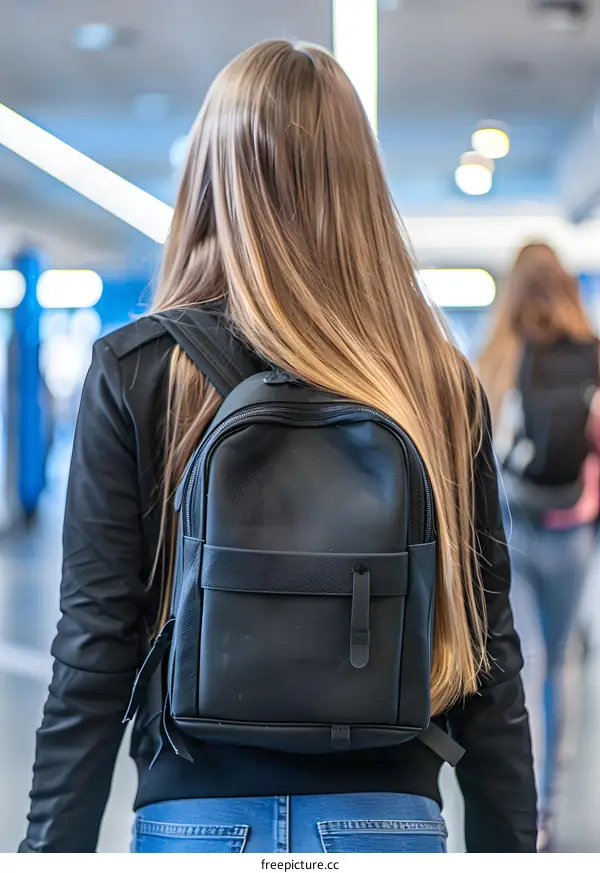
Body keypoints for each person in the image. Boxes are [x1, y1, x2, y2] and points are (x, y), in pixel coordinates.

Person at [20, 40, 536, 854]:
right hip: (387, 815)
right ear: (359, 186)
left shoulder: (140, 370)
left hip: (197, 818)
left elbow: (93, 646)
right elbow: (488, 651)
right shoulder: (433, 381)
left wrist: (52, 853)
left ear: (211, 181)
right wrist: (509, 850)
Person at [478, 242, 599, 852]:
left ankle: (529, 813)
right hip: (571, 527)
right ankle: (552, 797)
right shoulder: (592, 354)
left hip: (511, 527)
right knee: (563, 661)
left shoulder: (497, 352)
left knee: (524, 661)